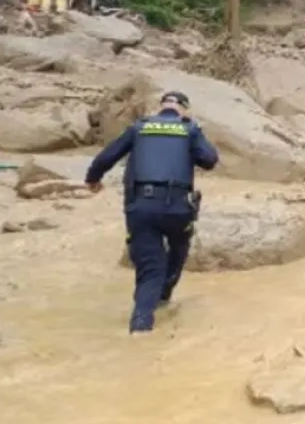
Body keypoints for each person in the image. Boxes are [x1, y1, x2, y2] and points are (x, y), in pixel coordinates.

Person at [85, 91, 219, 334]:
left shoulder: (139, 127)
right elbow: (210, 160)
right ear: (184, 109)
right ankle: (164, 297)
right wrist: (194, 134)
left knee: (150, 267)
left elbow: (106, 157)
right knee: (179, 247)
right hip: (177, 207)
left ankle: (141, 324)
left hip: (141, 207)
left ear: (161, 108)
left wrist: (93, 180)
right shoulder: (189, 129)